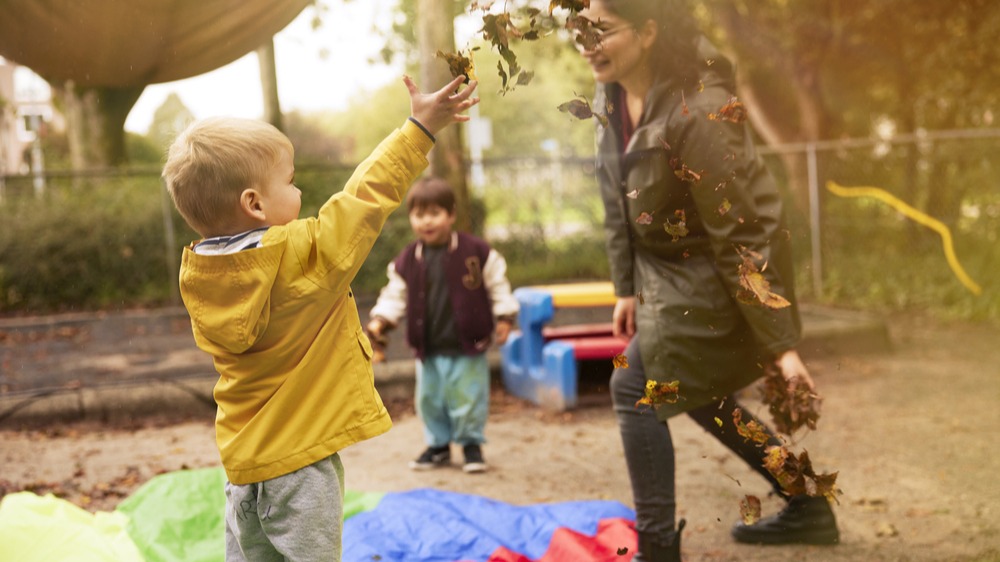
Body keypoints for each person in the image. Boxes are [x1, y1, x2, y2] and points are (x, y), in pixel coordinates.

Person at [161, 74, 479, 562]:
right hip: (301, 466)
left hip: (242, 469)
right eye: (289, 181)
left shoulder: (198, 274)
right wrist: (419, 127)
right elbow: (366, 197)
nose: (299, 189)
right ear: (255, 203)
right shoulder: (302, 255)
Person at [572, 1, 840, 560]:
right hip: (671, 271)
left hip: (720, 266)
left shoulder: (701, 108)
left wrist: (781, 345)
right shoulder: (611, 95)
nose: (586, 42)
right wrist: (625, 285)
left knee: (635, 386)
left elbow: (739, 234)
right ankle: (807, 502)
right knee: (697, 392)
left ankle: (657, 547)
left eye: (600, 30)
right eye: (578, 29)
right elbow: (615, 198)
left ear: (647, 31)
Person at [365, 176, 519, 474]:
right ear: (411, 218)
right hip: (429, 345)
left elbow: (498, 284)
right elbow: (395, 294)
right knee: (430, 400)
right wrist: (381, 319)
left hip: (467, 344)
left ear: (451, 215)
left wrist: (505, 316)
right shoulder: (408, 260)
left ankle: (471, 445)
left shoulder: (476, 252)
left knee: (468, 397)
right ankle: (438, 446)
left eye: (434, 213)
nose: (427, 222)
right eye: (419, 215)